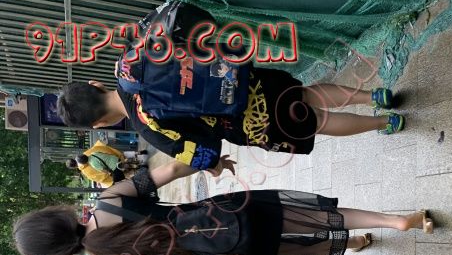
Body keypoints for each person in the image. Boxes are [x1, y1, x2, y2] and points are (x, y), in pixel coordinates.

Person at [13, 160, 433, 255]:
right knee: (313, 216)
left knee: (296, 251)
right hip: (228, 213)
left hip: (230, 252)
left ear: (58, 254)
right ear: (56, 217)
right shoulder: (109, 200)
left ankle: (351, 244)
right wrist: (209, 162)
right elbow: (169, 170)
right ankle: (394, 221)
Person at [56, 75, 405, 171]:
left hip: (249, 122)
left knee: (318, 123)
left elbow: (199, 154)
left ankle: (383, 123)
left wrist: (216, 165)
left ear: (99, 125)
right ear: (95, 85)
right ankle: (373, 95)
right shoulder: (133, 65)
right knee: (307, 94)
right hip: (242, 81)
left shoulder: (147, 127)